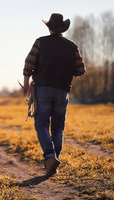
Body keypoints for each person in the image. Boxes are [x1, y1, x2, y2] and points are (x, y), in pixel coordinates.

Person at [22, 13, 85, 177]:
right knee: (58, 128)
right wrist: (65, 70)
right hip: (62, 91)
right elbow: (81, 70)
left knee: (41, 124)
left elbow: (29, 62)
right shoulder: (72, 46)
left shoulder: (40, 42)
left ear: (49, 28)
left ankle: (50, 157)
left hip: (42, 89)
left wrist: (26, 83)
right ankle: (53, 162)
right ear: (62, 29)